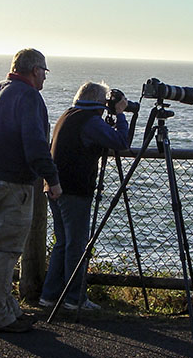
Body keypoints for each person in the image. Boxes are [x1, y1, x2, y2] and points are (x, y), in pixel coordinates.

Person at [0, 48, 62, 333]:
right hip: (13, 187)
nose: (45, 76)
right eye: (44, 70)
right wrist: (52, 178)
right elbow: (35, 144)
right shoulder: (30, 97)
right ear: (35, 70)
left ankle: (8, 309)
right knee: (4, 253)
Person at [39, 82, 130, 311]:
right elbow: (121, 143)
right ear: (100, 102)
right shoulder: (90, 121)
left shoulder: (68, 115)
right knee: (76, 245)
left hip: (54, 186)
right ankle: (74, 298)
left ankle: (49, 295)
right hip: (74, 190)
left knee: (63, 242)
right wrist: (119, 115)